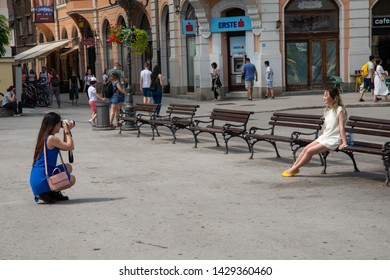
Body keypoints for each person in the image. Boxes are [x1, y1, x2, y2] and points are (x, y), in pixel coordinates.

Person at [282, 88, 347, 177]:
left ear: (333, 98)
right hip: (325, 137)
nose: (323, 98)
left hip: (334, 139)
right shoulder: (327, 110)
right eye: (323, 95)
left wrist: (344, 142)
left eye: (326, 96)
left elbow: (341, 127)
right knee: (305, 149)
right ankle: (294, 167)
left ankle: (294, 169)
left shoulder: (339, 110)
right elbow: (326, 127)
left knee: (309, 151)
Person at [29, 112, 76, 203]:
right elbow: (70, 146)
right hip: (43, 179)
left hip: (38, 177)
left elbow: (65, 146)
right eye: (59, 123)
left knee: (68, 167)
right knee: (72, 179)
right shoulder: (51, 139)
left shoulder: (45, 136)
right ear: (53, 125)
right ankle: (49, 192)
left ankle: (52, 192)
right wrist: (66, 129)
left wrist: (65, 130)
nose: (60, 125)